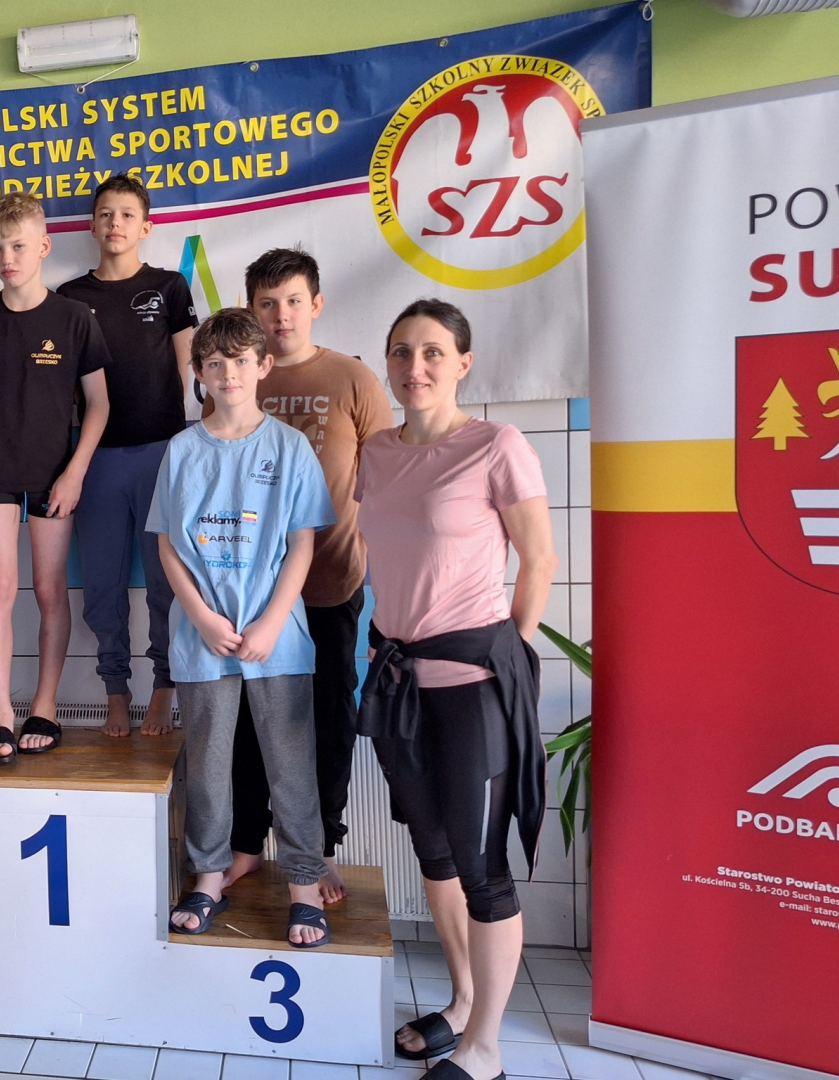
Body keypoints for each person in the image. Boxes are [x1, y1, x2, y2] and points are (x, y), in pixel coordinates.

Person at [356, 299, 556, 1080]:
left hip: (473, 687)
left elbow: (538, 558)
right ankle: (464, 1002)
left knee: (481, 868)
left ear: (463, 363)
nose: (416, 367)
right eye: (402, 351)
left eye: (434, 352)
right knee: (433, 853)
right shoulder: (376, 452)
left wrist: (509, 655)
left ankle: (486, 1050)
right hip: (399, 683)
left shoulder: (496, 445)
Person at [148, 308, 336, 947]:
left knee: (291, 764)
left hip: (276, 638)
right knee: (206, 764)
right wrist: (201, 617)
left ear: (263, 366)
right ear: (198, 374)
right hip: (202, 638)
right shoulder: (181, 450)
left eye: (239, 361)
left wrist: (272, 621)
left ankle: (304, 886)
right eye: (214, 363)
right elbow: (168, 544)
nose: (227, 373)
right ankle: (207, 877)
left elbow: (303, 543)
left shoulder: (289, 447)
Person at [220, 247, 392, 903]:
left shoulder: (353, 379)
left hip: (330, 584)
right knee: (245, 723)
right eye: (267, 304)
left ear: (316, 304)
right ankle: (244, 844)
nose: (281, 315)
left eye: (293, 301)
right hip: (249, 593)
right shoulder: (239, 377)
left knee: (325, 722)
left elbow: (387, 483)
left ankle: (317, 852)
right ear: (251, 309)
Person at [0, 192, 111, 762]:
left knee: (48, 590)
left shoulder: (74, 318)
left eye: (17, 246)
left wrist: (75, 472)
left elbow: (99, 404)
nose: (7, 258)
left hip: (54, 475)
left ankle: (45, 706)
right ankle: (0, 715)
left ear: (43, 246)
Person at [57, 176, 197, 738]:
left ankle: (164, 685)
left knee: (166, 582)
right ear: (92, 225)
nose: (115, 223)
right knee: (102, 589)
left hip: (163, 454)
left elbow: (189, 374)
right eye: (105, 214)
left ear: (146, 226)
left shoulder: (169, 287)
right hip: (96, 460)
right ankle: (115, 690)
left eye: (127, 214)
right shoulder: (69, 297)